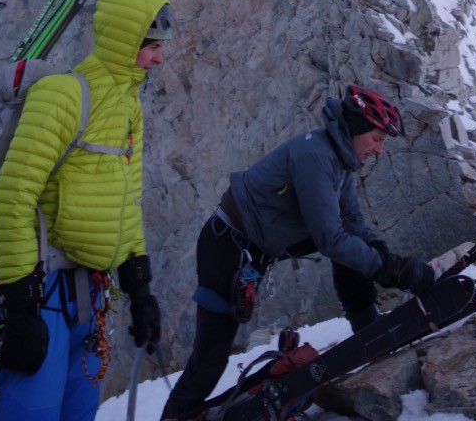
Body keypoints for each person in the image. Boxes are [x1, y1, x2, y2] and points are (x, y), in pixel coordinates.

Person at [160, 84, 435, 421]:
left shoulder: (341, 161)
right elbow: (330, 238)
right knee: (211, 355)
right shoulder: (315, 157)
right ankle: (175, 416)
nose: (379, 150)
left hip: (250, 249)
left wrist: (386, 258)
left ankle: (368, 328)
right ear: (356, 130)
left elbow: (352, 220)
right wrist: (389, 269)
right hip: (226, 247)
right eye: (377, 139)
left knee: (352, 241)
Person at [0, 0, 171, 421]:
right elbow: (12, 195)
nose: (159, 57)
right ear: (123, 40)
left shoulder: (130, 109)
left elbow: (130, 198)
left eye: (160, 46)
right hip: (42, 292)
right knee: (32, 413)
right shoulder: (62, 94)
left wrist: (139, 286)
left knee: (78, 412)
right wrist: (19, 309)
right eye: (150, 46)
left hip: (91, 294)